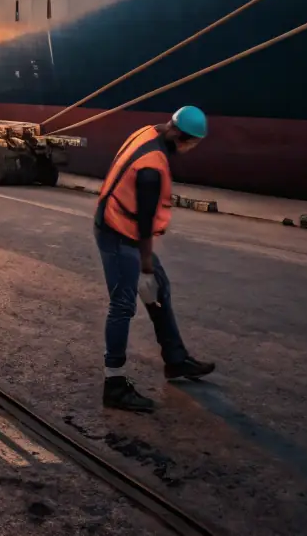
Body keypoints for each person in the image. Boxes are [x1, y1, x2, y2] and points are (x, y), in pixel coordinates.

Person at [94, 105, 215, 412]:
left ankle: (175, 360)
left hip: (123, 226)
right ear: (177, 134)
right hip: (118, 232)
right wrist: (145, 265)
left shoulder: (147, 132)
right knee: (123, 306)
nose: (189, 149)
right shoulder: (152, 167)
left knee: (158, 290)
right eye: (189, 142)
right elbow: (145, 223)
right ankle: (115, 385)